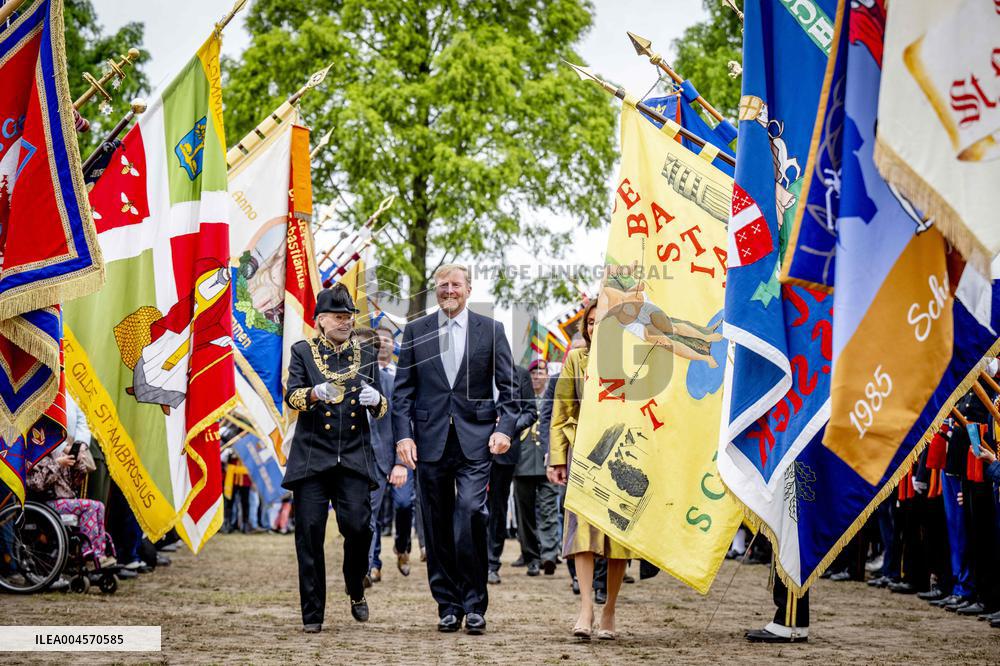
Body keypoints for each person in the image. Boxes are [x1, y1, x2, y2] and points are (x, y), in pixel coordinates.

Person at [392, 264, 517, 635]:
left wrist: (505, 429)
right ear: (435, 289)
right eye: (443, 285)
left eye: (456, 284)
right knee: (436, 523)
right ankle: (447, 604)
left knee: (470, 514)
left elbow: (510, 391)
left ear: (469, 288)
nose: (449, 290)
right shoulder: (416, 332)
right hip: (429, 442)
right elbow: (402, 391)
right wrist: (403, 436)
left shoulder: (491, 330)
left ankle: (475, 603)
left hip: (476, 440)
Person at [282, 283, 388, 633]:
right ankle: (313, 614)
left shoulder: (367, 355)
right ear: (321, 320)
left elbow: (384, 407)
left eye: (349, 317)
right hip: (314, 456)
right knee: (310, 532)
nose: (346, 323)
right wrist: (314, 393)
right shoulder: (302, 352)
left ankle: (355, 585)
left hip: (354, 456)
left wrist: (377, 401)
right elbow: (292, 397)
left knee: (359, 527)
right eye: (340, 317)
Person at [546, 301, 633, 640]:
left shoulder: (633, 360)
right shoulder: (575, 360)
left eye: (603, 322)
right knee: (582, 534)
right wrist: (556, 458)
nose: (597, 328)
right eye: (592, 323)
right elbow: (560, 409)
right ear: (586, 328)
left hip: (624, 456)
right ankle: (586, 608)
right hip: (583, 456)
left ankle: (609, 608)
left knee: (616, 539)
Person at [486, 362, 534, 584]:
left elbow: (530, 412)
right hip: (471, 447)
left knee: (498, 507)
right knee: (470, 506)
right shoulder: (469, 366)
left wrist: (506, 427)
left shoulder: (520, 374)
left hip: (504, 451)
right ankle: (470, 559)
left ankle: (491, 562)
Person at [512, 359, 561, 577]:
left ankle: (549, 555)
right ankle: (531, 556)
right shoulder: (519, 398)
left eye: (541, 372)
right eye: (533, 373)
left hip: (546, 463)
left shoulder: (552, 399)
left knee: (549, 510)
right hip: (522, 463)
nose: (537, 377)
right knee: (525, 514)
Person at [362, 325, 395, 584]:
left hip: (380, 457)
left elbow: (399, 421)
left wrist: (399, 462)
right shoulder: (339, 377)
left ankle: (368, 565)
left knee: (370, 515)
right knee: (355, 517)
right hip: (348, 455)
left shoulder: (390, 382)